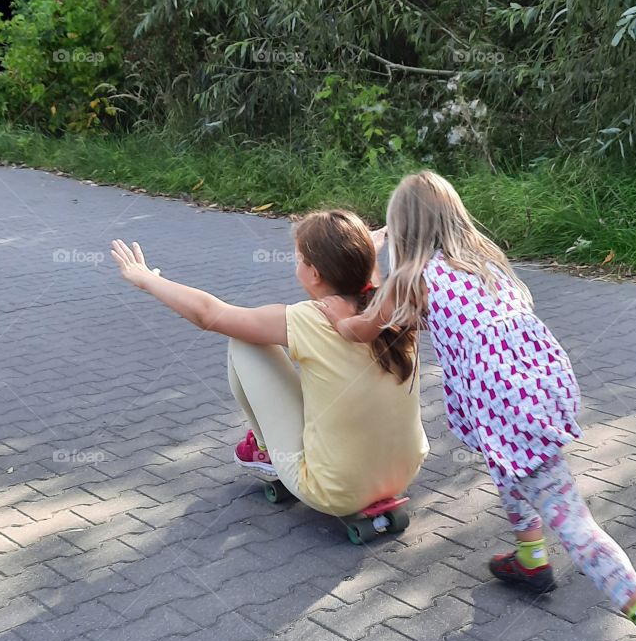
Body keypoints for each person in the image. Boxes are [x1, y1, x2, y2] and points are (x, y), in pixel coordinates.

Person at [315, 171, 636, 641]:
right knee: (507, 464)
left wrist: (336, 315)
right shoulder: (483, 258)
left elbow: (363, 329)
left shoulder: (410, 280)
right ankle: (530, 558)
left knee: (574, 522)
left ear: (402, 231)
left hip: (504, 402)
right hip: (534, 386)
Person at [110, 209, 428, 517]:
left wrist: (144, 279)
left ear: (315, 273)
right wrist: (366, 254)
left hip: (335, 491)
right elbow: (365, 286)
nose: (296, 265)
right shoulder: (395, 311)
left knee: (245, 341)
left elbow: (208, 314)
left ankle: (265, 450)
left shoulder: (309, 319)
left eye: (299, 259)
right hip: (402, 473)